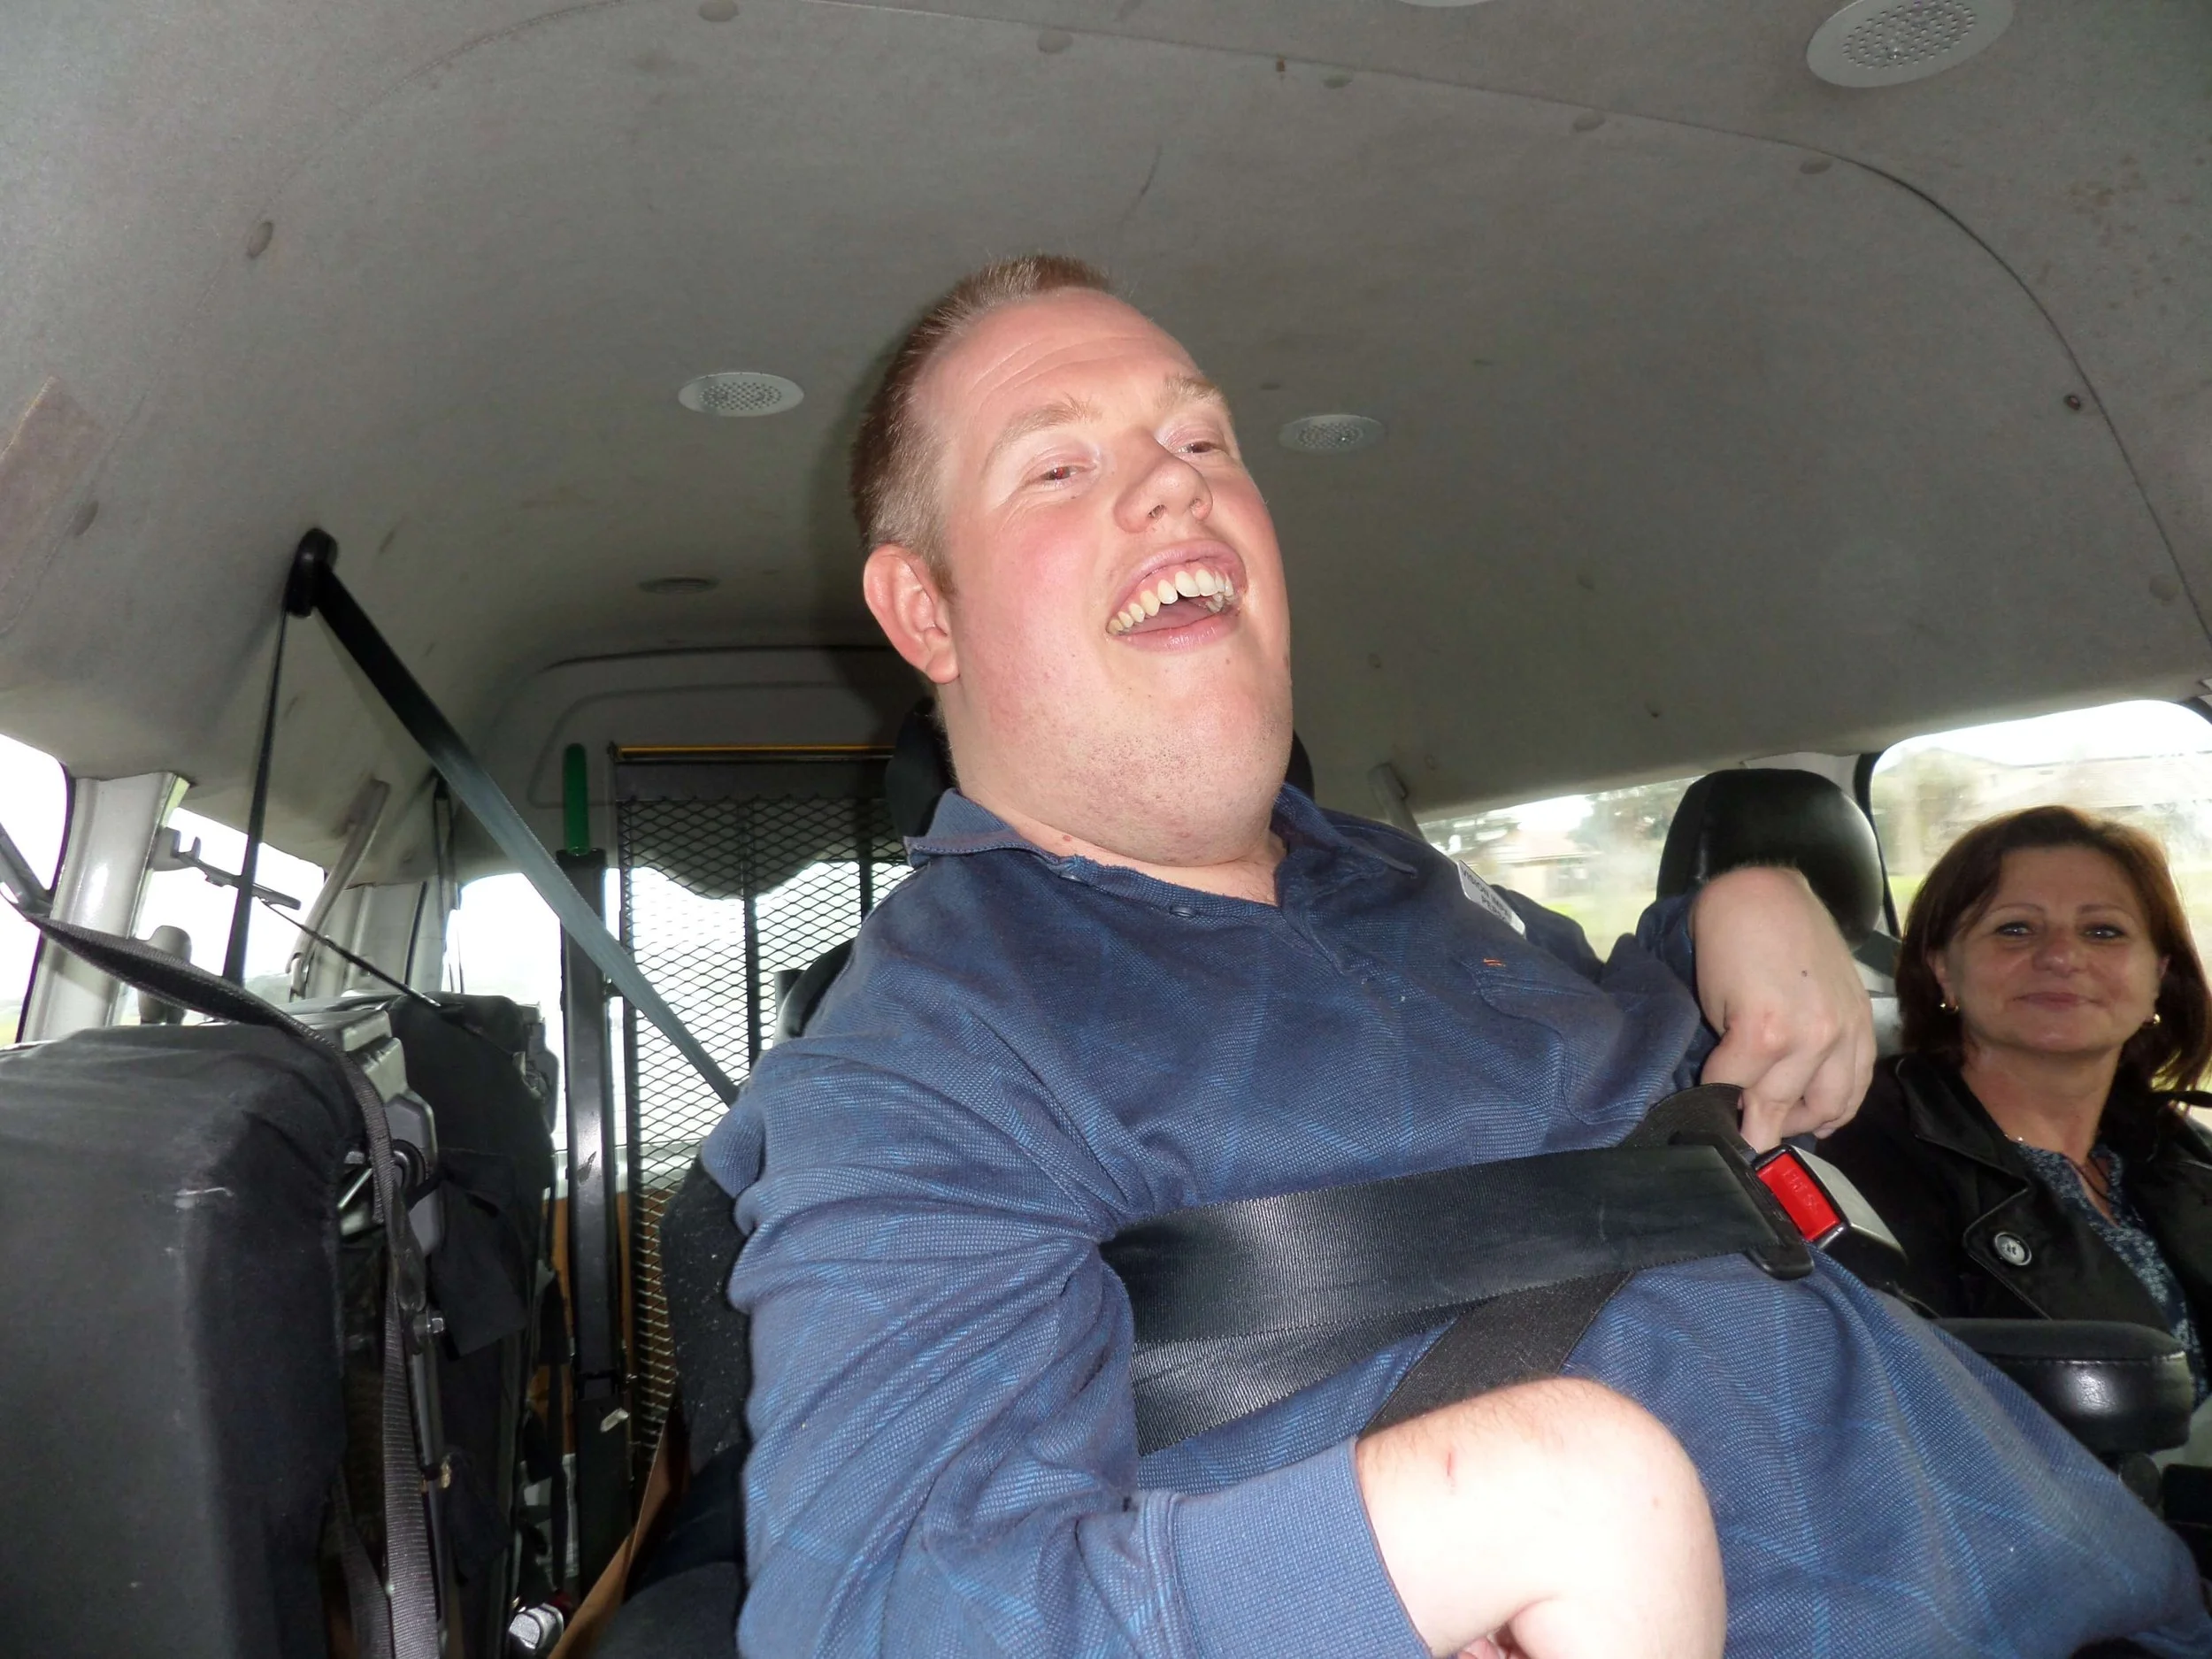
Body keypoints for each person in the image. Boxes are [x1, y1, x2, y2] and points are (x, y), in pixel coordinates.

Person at [700, 256, 2212, 1657]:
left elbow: (1632, 1063)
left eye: (1205, 442)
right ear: (926, 610)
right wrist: (1476, 1514)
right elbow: (884, 1615)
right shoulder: (927, 1058)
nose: (1174, 484)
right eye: (1060, 464)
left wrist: (1738, 911)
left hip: (2096, 1589)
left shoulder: (1411, 888)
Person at [1818, 806, 2212, 1415]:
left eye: (2103, 930)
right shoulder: (1860, 1151)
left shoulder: (2181, 1149)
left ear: (2157, 975)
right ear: (1944, 968)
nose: (2061, 956)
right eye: (2015, 929)